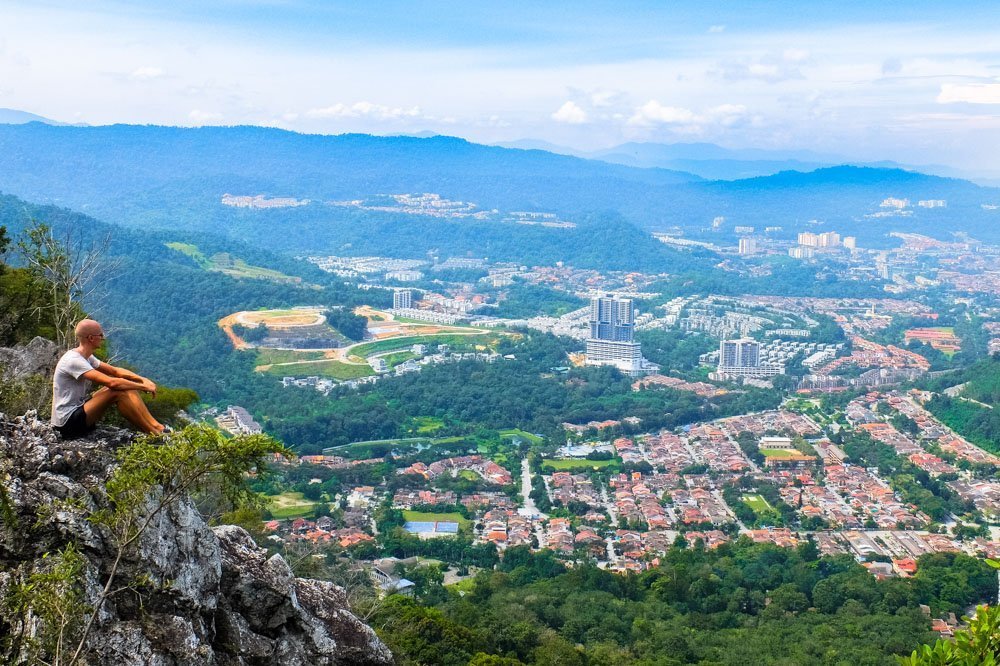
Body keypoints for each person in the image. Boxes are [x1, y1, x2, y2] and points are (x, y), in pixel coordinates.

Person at [51, 319, 168, 439]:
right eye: (100, 335)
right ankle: (155, 435)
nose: (103, 338)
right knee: (117, 390)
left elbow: (115, 371)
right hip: (66, 423)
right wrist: (143, 387)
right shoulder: (73, 360)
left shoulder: (86, 356)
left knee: (128, 387)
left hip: (77, 410)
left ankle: (159, 427)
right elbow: (112, 383)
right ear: (91, 338)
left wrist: (142, 379)